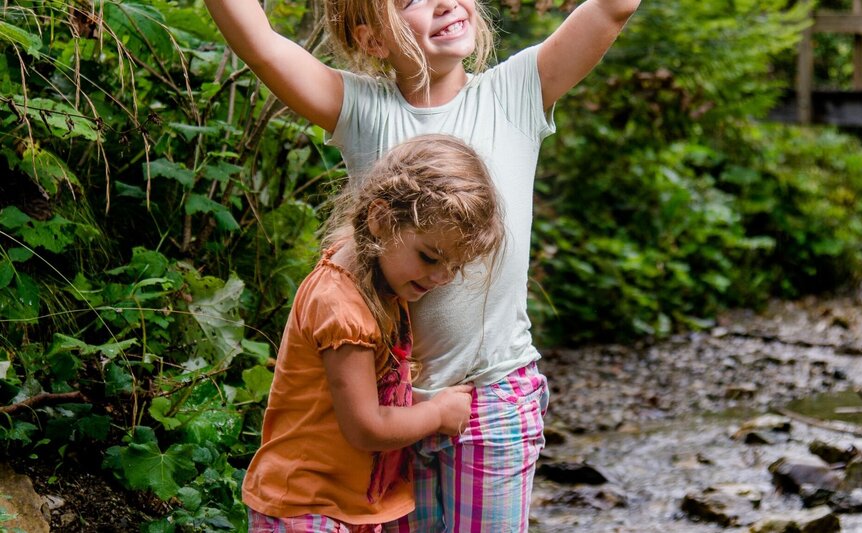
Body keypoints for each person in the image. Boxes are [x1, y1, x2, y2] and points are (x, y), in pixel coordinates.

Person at [205, 0, 642, 529]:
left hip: (491, 397)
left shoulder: (516, 92)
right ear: (372, 40)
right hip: (390, 408)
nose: (444, 2)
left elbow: (612, 10)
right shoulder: (362, 108)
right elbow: (259, 43)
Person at [243, 134, 506, 532]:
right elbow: (365, 427)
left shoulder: (382, 284)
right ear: (380, 219)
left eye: (456, 266)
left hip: (343, 507)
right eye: (431, 257)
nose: (441, 277)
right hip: (305, 507)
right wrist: (435, 413)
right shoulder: (341, 307)